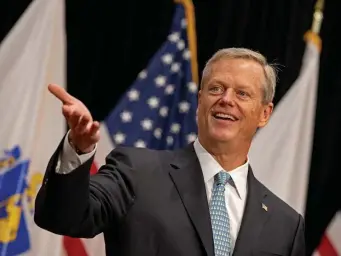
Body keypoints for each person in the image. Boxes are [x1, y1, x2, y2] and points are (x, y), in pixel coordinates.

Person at [34, 48, 305, 256]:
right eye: (216, 88)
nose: (226, 99)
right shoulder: (137, 172)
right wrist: (77, 148)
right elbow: (63, 218)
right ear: (200, 101)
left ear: (265, 114)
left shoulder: (285, 225)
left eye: (242, 94)